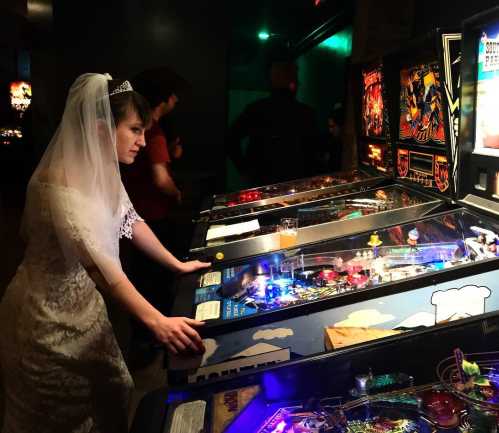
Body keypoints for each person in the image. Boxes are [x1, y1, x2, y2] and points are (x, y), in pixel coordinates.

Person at [0, 73, 210, 433]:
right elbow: (104, 269)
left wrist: (176, 264)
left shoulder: (103, 171)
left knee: (116, 391)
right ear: (100, 128)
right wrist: (157, 321)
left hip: (87, 308)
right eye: (134, 130)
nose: (143, 142)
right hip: (45, 319)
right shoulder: (56, 184)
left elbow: (130, 220)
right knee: (60, 415)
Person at [227, 61, 318, 186]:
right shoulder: (305, 114)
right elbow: (312, 153)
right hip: (295, 183)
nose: (299, 82)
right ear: (292, 83)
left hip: (262, 182)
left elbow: (231, 138)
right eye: (295, 77)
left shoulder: (257, 109)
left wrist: (244, 170)